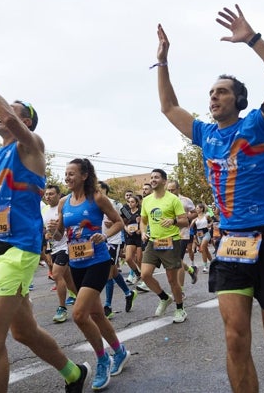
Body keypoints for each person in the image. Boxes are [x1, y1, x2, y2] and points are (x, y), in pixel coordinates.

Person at [154, 4, 264, 392]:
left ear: (239, 100)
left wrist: (252, 39)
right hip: (232, 242)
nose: (214, 97)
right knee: (236, 340)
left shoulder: (257, 125)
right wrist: (163, 62)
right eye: (211, 93)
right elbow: (169, 107)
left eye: (222, 92)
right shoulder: (205, 134)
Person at [0, 47, 88, 393]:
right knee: (23, 331)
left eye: (16, 112)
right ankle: (73, 373)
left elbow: (7, 117)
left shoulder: (32, 146)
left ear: (27, 123)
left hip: (18, 248)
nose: (5, 115)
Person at [49, 159, 130, 390]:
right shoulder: (64, 202)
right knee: (96, 315)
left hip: (98, 261)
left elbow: (119, 223)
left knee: (80, 315)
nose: (67, 178)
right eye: (65, 174)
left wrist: (104, 236)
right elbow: (60, 236)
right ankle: (120, 351)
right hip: (76, 262)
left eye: (72, 173)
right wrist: (52, 231)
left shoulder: (97, 198)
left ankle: (102, 359)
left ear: (84, 175)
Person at [139, 169, 189, 323]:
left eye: (156, 177)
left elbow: (185, 221)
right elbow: (143, 220)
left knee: (172, 280)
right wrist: (142, 232)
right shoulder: (147, 200)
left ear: (164, 181)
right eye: (151, 177)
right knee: (145, 275)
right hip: (153, 242)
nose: (153, 180)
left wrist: (173, 221)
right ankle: (164, 298)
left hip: (170, 241)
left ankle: (180, 309)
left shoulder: (173, 199)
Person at [99, 181, 138, 318]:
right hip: (99, 241)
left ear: (105, 190)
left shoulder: (115, 203)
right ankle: (128, 293)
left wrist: (116, 223)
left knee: (108, 273)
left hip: (113, 241)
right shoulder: (93, 204)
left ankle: (107, 306)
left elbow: (129, 219)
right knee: (114, 272)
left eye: (99, 189)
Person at [42, 184, 78, 323]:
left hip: (66, 245)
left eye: (51, 194)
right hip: (54, 247)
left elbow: (70, 225)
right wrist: (47, 247)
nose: (48, 196)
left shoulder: (64, 207)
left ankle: (62, 308)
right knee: (68, 280)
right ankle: (86, 301)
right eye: (46, 194)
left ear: (59, 195)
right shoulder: (44, 210)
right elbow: (46, 231)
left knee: (56, 274)